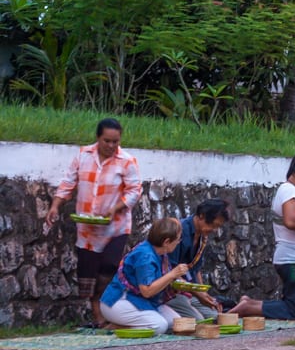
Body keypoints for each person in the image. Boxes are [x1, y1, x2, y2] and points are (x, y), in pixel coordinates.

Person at [46, 118, 142, 327]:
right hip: (87, 228)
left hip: (116, 227)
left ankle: (104, 306)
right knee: (88, 272)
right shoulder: (83, 155)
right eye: (107, 141)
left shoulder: (127, 161)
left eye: (115, 142)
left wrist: (115, 208)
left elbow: (134, 190)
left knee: (109, 267)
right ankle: (97, 313)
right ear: (98, 138)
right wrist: (55, 205)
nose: (111, 146)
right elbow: (68, 183)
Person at [230, 154, 295, 319]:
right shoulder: (289, 191)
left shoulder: (294, 192)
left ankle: (250, 304)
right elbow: (291, 220)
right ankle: (249, 307)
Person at [100, 218, 189, 334]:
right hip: (119, 302)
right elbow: (147, 291)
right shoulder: (145, 256)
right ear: (166, 242)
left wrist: (179, 281)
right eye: (178, 239)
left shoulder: (160, 253)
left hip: (141, 300)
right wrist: (172, 275)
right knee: (159, 326)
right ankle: (117, 327)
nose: (178, 242)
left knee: (175, 323)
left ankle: (129, 324)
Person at [166, 198, 230, 320]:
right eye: (213, 225)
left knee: (215, 317)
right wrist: (199, 294)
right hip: (171, 291)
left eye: (218, 227)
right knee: (198, 321)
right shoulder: (179, 232)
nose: (214, 230)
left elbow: (196, 269)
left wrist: (204, 295)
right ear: (201, 216)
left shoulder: (202, 237)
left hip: (190, 292)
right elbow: (171, 271)